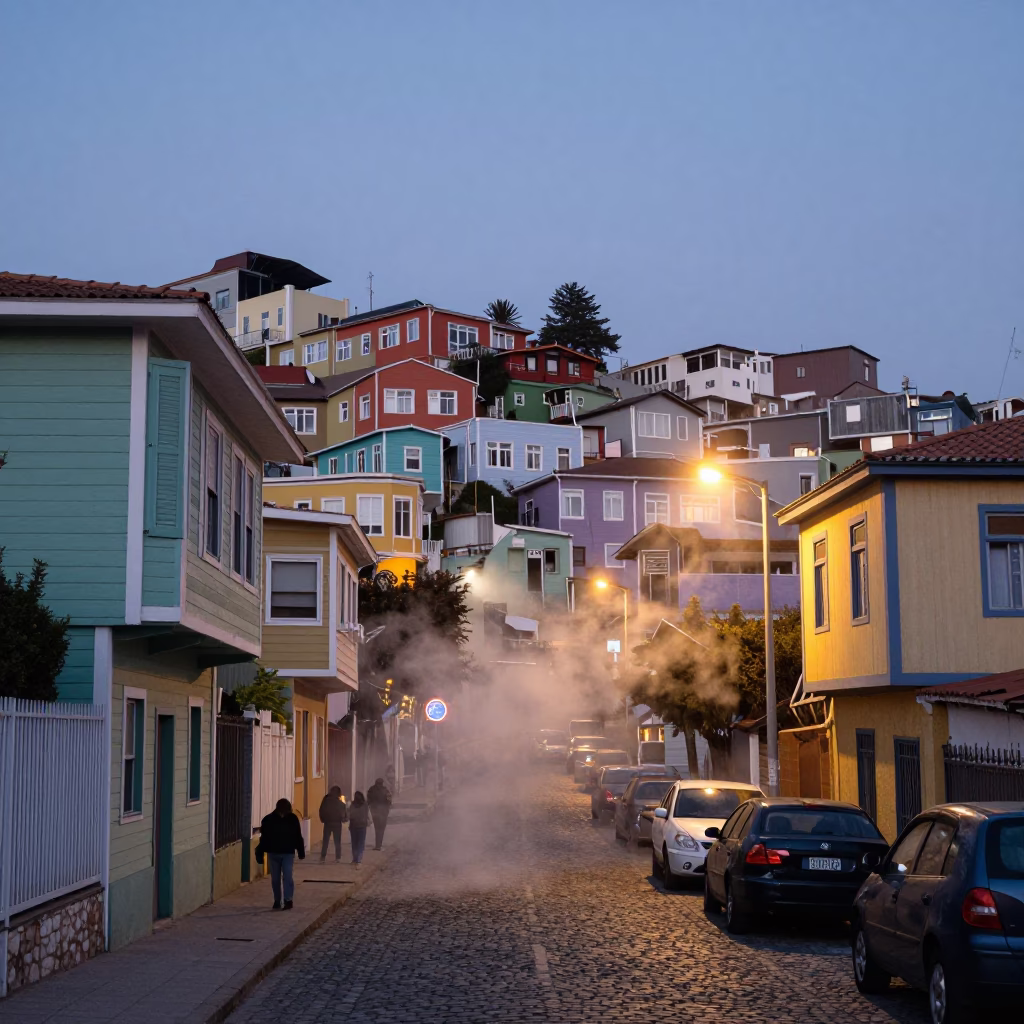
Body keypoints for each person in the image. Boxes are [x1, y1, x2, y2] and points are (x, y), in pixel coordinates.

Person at [257, 797, 305, 910]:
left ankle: (288, 900)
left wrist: (300, 851)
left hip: (288, 853)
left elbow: (297, 836)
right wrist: (260, 852)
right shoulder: (269, 820)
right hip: (274, 853)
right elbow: (264, 838)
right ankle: (277, 900)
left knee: (287, 876)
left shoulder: (292, 819)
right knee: (275, 879)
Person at [318, 785, 347, 863]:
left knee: (325, 840)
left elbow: (321, 810)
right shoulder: (340, 803)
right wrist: (344, 819)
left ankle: (323, 857)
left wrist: (322, 819)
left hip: (327, 823)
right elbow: (344, 813)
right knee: (337, 841)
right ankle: (338, 857)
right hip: (337, 823)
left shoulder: (326, 800)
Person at [367, 777, 392, 851]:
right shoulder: (385, 790)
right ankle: (379, 845)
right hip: (384, 812)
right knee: (381, 829)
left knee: (377, 828)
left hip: (375, 811)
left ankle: (377, 845)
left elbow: (368, 800)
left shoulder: (371, 789)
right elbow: (389, 801)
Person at [348, 791, 370, 867]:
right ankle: (359, 860)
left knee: (354, 843)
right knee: (361, 843)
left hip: (353, 826)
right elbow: (368, 814)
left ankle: (354, 859)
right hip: (362, 826)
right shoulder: (365, 805)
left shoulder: (352, 805)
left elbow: (349, 815)